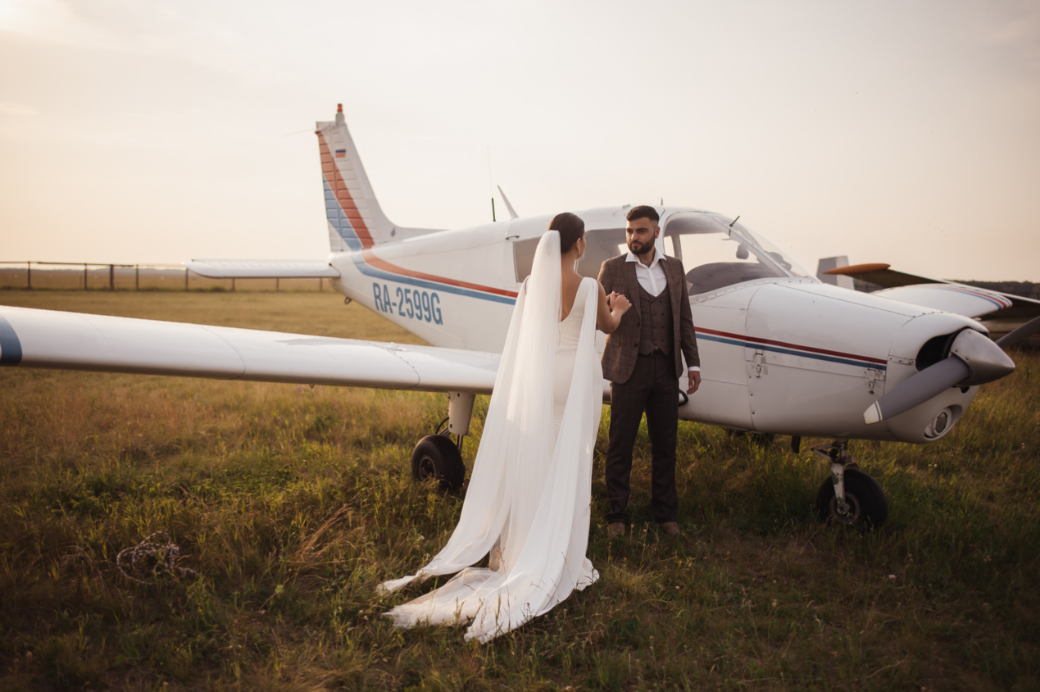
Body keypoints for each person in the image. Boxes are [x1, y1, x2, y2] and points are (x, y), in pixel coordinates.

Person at [379, 212, 631, 642]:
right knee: (566, 461)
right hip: (572, 383)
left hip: (540, 380)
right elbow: (607, 326)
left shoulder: (531, 287)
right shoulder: (591, 287)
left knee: (534, 457)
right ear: (580, 245)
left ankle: (519, 547)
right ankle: (559, 551)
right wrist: (619, 309)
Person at [598, 205, 700, 539]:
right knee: (620, 445)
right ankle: (617, 516)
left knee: (665, 444)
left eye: (640, 231)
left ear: (656, 232)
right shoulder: (611, 269)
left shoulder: (674, 268)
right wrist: (611, 309)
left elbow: (683, 317)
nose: (633, 237)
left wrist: (693, 362)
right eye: (629, 231)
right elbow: (599, 320)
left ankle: (666, 515)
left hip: (666, 369)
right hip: (628, 368)